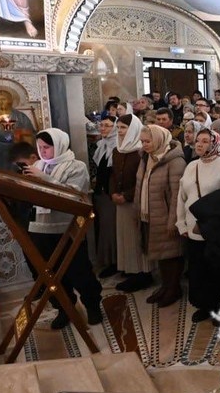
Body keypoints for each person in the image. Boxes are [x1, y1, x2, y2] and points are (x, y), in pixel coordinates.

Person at [25, 129, 102, 329]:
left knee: (79, 271)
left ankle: (92, 305)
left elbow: (74, 195)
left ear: (59, 145)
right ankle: (63, 307)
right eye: (39, 147)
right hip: (40, 227)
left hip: (67, 228)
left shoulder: (76, 167)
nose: (42, 152)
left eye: (47, 147)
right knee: (51, 273)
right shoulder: (38, 165)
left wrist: (43, 178)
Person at [176, 129, 220, 324]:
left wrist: (214, 219)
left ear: (215, 143)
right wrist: (181, 223)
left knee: (218, 270)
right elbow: (182, 196)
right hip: (193, 229)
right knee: (199, 270)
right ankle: (205, 305)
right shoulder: (191, 166)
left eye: (205, 141)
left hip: (216, 231)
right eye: (198, 140)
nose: (199, 144)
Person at [134, 125, 186, 307]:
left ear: (158, 140)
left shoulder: (174, 161)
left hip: (165, 216)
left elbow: (176, 195)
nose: (144, 145)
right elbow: (141, 184)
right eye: (142, 141)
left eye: (147, 141)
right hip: (150, 213)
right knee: (161, 254)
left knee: (172, 255)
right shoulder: (146, 157)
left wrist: (173, 221)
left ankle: (174, 289)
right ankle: (165, 286)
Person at [111, 114, 148, 291]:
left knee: (136, 238)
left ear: (133, 129)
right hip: (120, 201)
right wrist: (113, 193)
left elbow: (142, 180)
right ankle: (130, 269)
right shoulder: (117, 149)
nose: (119, 131)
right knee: (125, 237)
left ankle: (141, 274)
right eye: (118, 128)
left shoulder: (141, 151)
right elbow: (113, 174)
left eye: (123, 128)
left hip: (135, 201)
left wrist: (126, 195)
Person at [0, 89, 36, 175]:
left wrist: (15, 135)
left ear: (9, 100)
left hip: (17, 148)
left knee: (14, 165)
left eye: (4, 99)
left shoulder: (20, 116)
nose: (1, 102)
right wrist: (0, 135)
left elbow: (31, 132)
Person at [91, 116, 118, 278]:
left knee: (111, 230)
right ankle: (107, 261)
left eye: (107, 126)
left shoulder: (118, 147)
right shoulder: (102, 145)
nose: (103, 128)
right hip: (101, 192)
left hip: (111, 194)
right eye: (101, 125)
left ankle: (115, 262)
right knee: (104, 229)